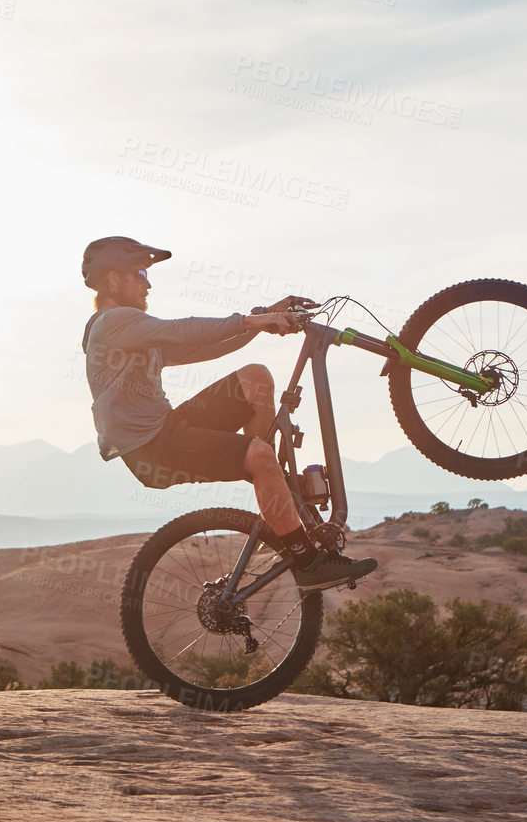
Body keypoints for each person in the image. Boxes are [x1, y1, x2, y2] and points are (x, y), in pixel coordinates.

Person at [80, 235, 375, 593]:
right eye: (140, 273)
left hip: (169, 428)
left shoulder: (131, 332)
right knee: (259, 455)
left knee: (255, 379)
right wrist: (253, 321)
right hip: (154, 450)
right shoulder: (112, 323)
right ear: (113, 279)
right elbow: (181, 329)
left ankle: (269, 483)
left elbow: (204, 344)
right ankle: (308, 562)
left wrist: (261, 319)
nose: (148, 282)